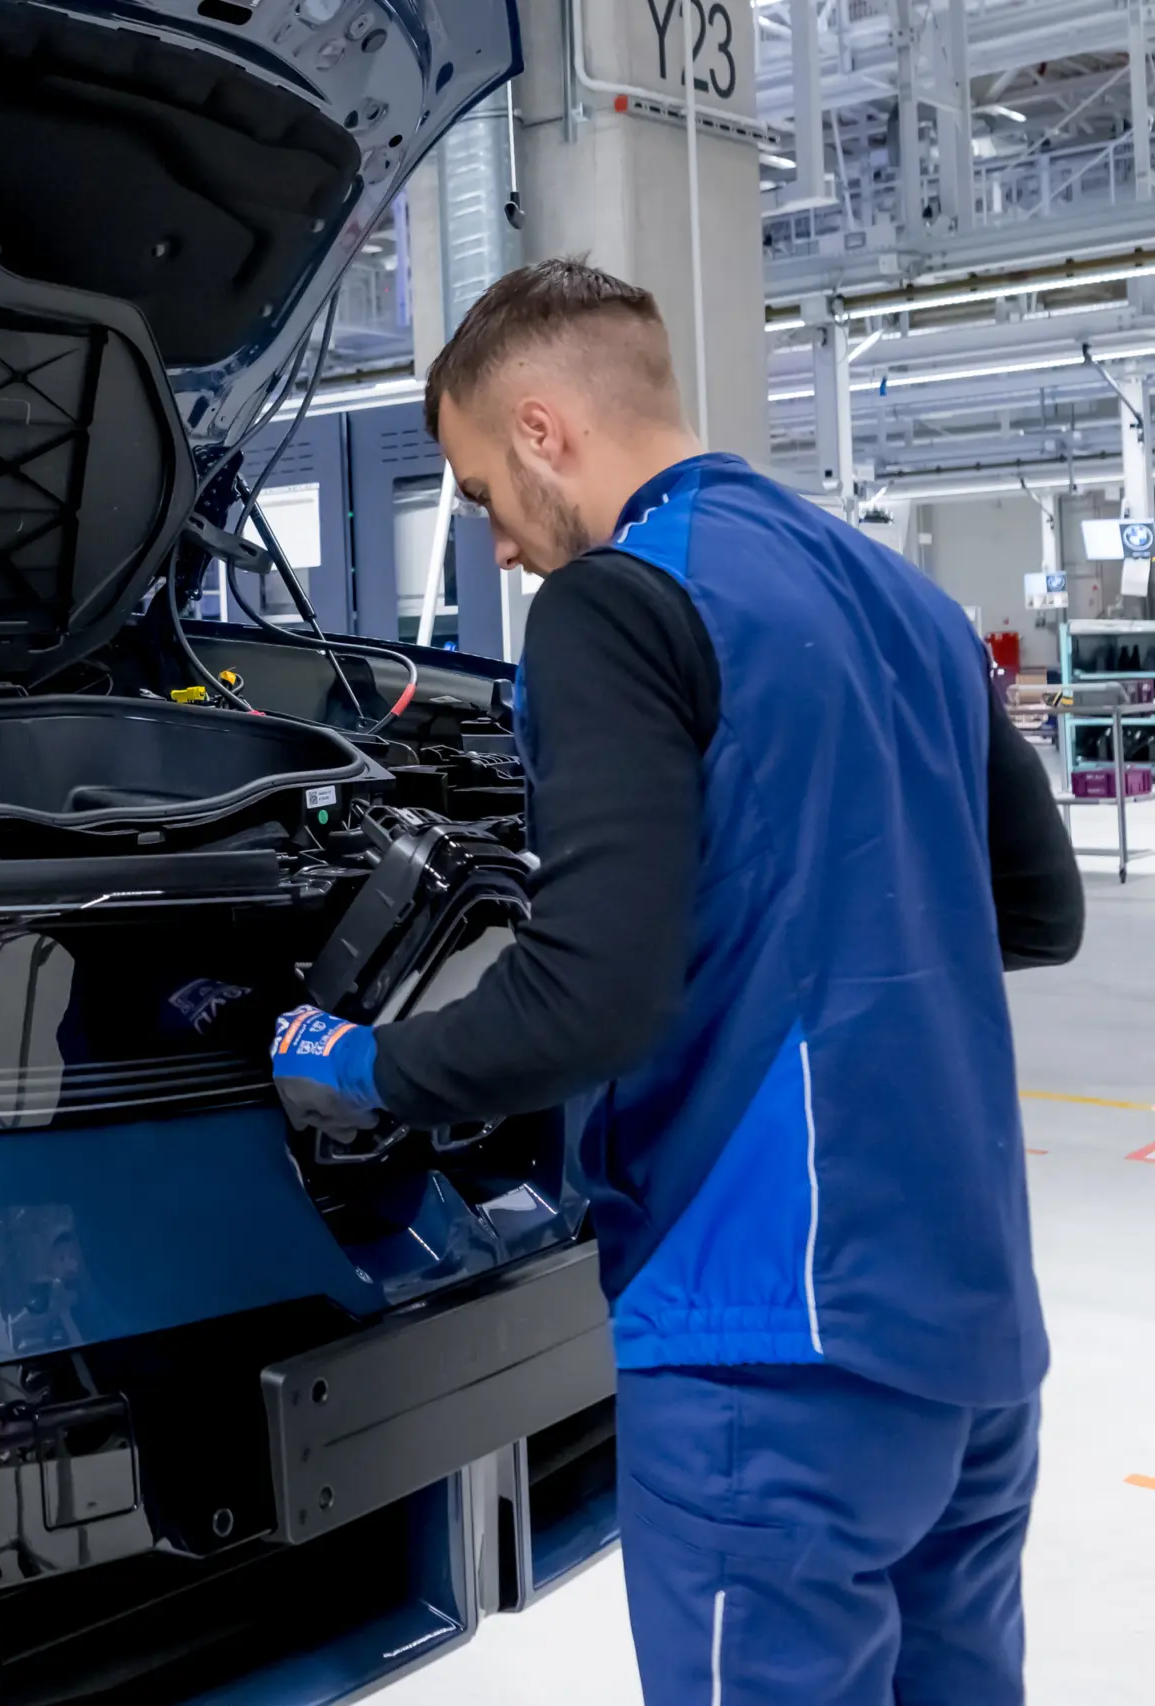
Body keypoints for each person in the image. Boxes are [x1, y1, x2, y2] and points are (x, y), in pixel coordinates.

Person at [266, 258, 1084, 1704]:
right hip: (971, 1324)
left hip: (767, 1344)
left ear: (542, 428)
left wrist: (358, 1066)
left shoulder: (617, 606)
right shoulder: (906, 598)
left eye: (481, 490)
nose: (499, 543)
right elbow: (1037, 910)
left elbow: (591, 997)